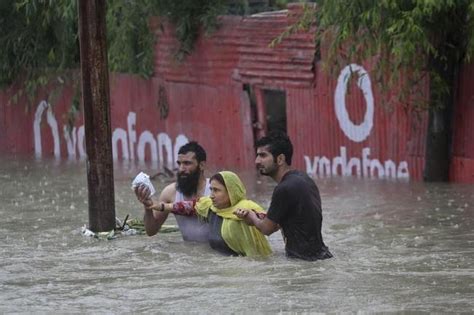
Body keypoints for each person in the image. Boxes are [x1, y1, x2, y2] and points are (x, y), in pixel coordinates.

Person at [234, 131, 333, 261]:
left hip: (301, 262)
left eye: (263, 155)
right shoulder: (304, 179)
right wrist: (261, 218)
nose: (257, 161)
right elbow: (288, 221)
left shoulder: (284, 189)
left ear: (280, 159)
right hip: (321, 256)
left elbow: (266, 229)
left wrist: (251, 216)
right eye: (257, 155)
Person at [135, 141, 210, 242]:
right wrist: (148, 206)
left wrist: (161, 206)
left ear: (202, 165)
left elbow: (198, 206)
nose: (181, 169)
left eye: (187, 163)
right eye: (179, 163)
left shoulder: (215, 189)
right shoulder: (170, 192)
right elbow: (151, 231)